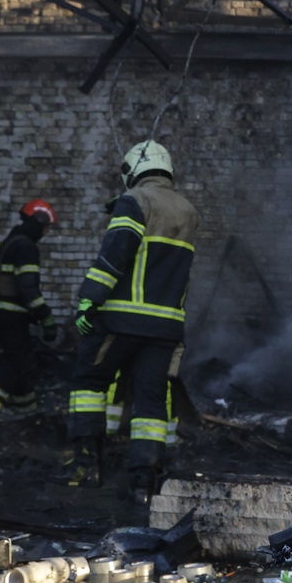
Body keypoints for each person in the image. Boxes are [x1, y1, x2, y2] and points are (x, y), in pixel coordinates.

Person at [60, 139, 198, 504]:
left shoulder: (135, 201)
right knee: (151, 402)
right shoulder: (187, 210)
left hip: (121, 318)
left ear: (135, 168)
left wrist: (90, 299)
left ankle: (86, 467)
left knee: (89, 381)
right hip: (165, 326)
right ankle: (144, 483)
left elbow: (115, 253)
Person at [0, 199, 59, 424]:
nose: (46, 232)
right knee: (12, 360)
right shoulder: (26, 247)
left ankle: (26, 411)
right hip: (13, 313)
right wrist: (46, 317)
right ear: (38, 223)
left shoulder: (11, 241)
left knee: (24, 359)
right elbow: (27, 287)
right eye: (46, 226)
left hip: (2, 311)